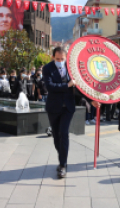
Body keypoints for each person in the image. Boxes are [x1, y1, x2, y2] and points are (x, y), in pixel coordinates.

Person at [43, 47, 100, 178]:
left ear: (66, 58)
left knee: (64, 133)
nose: (60, 61)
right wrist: (67, 85)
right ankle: (62, 155)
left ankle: (63, 164)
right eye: (57, 59)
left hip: (67, 108)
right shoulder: (47, 68)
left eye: (62, 59)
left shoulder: (71, 68)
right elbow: (49, 86)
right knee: (57, 137)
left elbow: (80, 87)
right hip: (53, 107)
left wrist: (91, 101)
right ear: (53, 57)